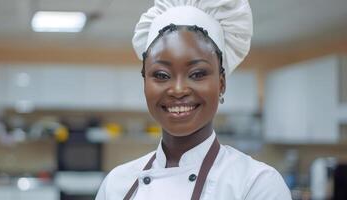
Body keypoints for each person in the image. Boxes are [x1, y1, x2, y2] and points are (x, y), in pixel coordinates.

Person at [96, 0, 292, 199]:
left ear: (221, 83)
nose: (178, 90)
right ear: (145, 83)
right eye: (162, 75)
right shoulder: (116, 185)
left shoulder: (256, 185)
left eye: (197, 73)